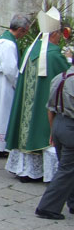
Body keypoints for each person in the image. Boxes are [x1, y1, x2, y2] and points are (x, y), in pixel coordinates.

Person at [5, 8, 71, 182]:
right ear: (55, 34)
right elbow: (67, 77)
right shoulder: (54, 55)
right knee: (42, 130)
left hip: (29, 106)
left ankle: (25, 171)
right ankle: (44, 173)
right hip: (42, 108)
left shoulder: (30, 49)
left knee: (28, 126)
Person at [0, 14, 31, 157]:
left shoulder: (1, 37)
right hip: (4, 82)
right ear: (20, 29)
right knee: (4, 112)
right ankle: (1, 145)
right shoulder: (8, 44)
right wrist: (18, 84)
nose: (25, 34)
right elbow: (10, 69)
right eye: (26, 31)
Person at [34, 63, 74, 220]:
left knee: (69, 168)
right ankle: (47, 207)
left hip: (58, 125)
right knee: (66, 168)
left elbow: (50, 108)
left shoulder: (60, 78)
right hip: (71, 126)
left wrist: (53, 131)